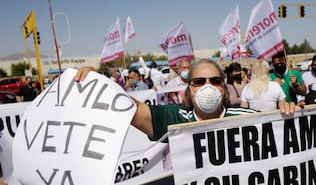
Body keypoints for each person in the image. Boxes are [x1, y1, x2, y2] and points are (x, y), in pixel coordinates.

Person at [75, 59, 295, 141]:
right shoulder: (175, 118)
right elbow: (131, 109)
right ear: (189, 89)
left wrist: (289, 114)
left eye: (215, 81)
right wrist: (100, 82)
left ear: (223, 87)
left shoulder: (247, 118)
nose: (207, 87)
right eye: (199, 81)